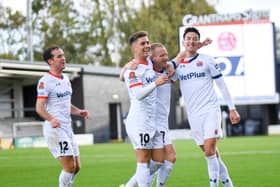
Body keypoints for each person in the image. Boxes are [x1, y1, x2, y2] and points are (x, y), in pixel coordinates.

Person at [173, 27, 240, 187]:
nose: (191, 41)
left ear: (198, 41)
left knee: (210, 150)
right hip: (194, 115)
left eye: (194, 38)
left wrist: (232, 108)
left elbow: (222, 85)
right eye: (188, 38)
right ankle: (228, 183)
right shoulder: (178, 65)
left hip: (210, 110)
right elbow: (165, 74)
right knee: (211, 154)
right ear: (183, 42)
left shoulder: (208, 60)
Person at [36, 46, 90, 187]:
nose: (63, 58)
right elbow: (39, 107)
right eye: (59, 56)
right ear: (50, 61)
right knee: (69, 167)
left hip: (67, 127)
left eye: (63, 55)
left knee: (76, 167)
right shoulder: (45, 81)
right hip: (55, 129)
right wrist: (51, 119)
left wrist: (78, 111)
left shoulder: (65, 79)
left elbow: (65, 104)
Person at [122, 31, 169, 187]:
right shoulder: (133, 70)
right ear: (134, 48)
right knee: (143, 163)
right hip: (139, 121)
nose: (147, 45)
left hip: (152, 120)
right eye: (143, 43)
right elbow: (137, 94)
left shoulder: (148, 62)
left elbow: (163, 59)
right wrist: (157, 83)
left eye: (148, 42)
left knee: (158, 161)